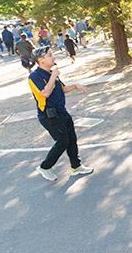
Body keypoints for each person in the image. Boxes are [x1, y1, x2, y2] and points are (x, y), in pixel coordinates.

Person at [28, 47, 93, 182]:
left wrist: (75, 85)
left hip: (62, 112)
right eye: (50, 55)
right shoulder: (34, 77)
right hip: (49, 115)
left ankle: (76, 166)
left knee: (71, 139)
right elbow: (45, 93)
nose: (53, 57)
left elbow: (62, 89)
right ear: (41, 60)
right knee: (63, 141)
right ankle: (45, 167)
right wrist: (53, 76)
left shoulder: (52, 73)